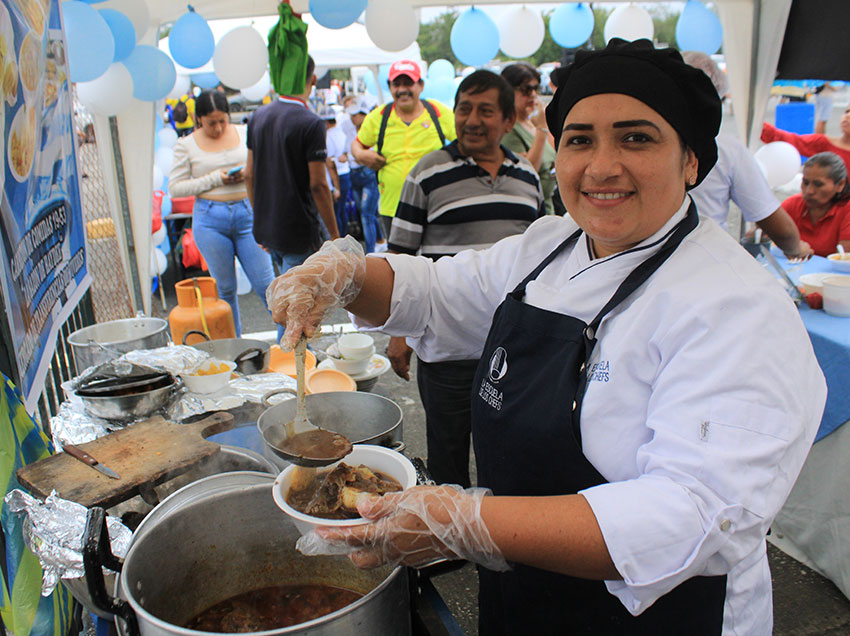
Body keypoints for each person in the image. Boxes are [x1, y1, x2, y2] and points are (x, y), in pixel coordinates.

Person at [265, 39, 825, 635]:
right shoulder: (549, 246)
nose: (602, 166)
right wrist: (343, 275)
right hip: (524, 593)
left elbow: (691, 514)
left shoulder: (736, 306)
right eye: (580, 139)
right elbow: (432, 291)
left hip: (660, 615)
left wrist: (468, 524)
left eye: (636, 138)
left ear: (691, 160)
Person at [386, 70, 544, 488]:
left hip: (513, 347)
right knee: (448, 454)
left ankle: (503, 542)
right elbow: (400, 255)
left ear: (509, 121)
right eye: (464, 109)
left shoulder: (527, 177)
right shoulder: (427, 173)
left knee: (510, 449)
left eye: (485, 111)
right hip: (446, 346)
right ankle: (448, 546)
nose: (472, 120)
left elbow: (541, 257)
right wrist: (399, 333)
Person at [682, 52, 813, 259]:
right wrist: (796, 248)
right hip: (708, 259)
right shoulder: (725, 148)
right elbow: (774, 221)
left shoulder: (641, 142)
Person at [168, 90, 276, 337]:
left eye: (222, 121)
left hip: (248, 213)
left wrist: (247, 173)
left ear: (229, 116)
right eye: (210, 124)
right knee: (225, 290)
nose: (217, 128)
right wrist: (216, 179)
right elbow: (176, 188)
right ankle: (233, 351)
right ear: (199, 119)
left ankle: (298, 345)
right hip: (210, 219)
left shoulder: (243, 132)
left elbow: (264, 164)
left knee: (267, 285)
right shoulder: (186, 145)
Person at [245, 55, 340, 284]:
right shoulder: (311, 123)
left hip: (269, 228)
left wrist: (260, 219)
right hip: (299, 230)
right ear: (313, 79)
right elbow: (318, 184)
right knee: (297, 307)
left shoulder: (258, 116)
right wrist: (335, 235)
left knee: (289, 298)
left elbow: (249, 175)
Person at [351, 59, 456, 239]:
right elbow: (357, 143)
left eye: (408, 83)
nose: (402, 89)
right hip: (393, 209)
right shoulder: (379, 117)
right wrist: (361, 155)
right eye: (396, 84)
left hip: (433, 205)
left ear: (421, 85)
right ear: (389, 87)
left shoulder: (438, 112)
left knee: (435, 262)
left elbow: (465, 142)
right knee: (399, 264)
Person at [501, 63, 558, 215]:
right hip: (530, 215)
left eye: (536, 88)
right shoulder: (508, 130)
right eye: (526, 90)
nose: (533, 95)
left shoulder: (532, 123)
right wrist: (542, 129)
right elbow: (529, 169)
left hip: (549, 211)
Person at [780, 152, 850, 256]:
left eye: (818, 184)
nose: (809, 191)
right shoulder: (792, 204)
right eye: (805, 182)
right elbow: (767, 241)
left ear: (840, 184)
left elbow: (843, 260)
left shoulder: (846, 210)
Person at [343, 99, 384, 253]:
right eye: (351, 115)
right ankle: (379, 240)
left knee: (366, 215)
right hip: (355, 174)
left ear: (362, 115)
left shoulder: (374, 129)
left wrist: (357, 156)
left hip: (367, 174)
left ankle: (371, 253)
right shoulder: (348, 129)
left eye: (355, 115)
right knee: (366, 213)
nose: (353, 118)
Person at [762, 102, 850, 170]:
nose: (847, 116)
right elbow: (788, 139)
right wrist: (759, 125)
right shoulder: (823, 143)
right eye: (847, 112)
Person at [322, 108, 352, 236]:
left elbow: (330, 164)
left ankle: (340, 242)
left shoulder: (328, 137)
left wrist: (336, 187)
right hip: (346, 174)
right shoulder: (341, 131)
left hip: (337, 178)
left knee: (335, 214)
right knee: (342, 211)